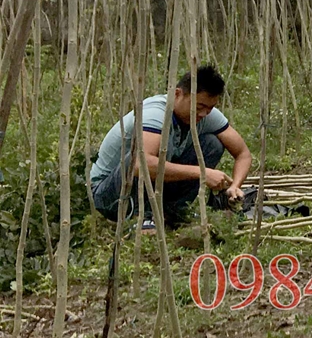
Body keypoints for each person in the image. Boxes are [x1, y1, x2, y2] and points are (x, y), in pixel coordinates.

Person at [90, 65, 253, 230]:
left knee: (212, 144)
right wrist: (202, 173)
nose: (204, 114)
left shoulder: (206, 115)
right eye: (199, 106)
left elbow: (243, 154)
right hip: (109, 193)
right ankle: (142, 217)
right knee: (138, 158)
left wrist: (235, 186)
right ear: (177, 94)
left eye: (210, 108)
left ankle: (172, 211)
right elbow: (140, 166)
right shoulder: (155, 114)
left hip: (154, 188)